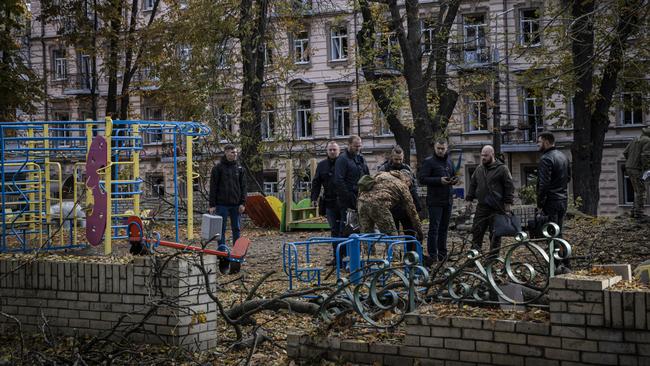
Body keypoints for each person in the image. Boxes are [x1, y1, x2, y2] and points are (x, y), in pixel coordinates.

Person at [465, 145, 515, 256]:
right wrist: (469, 199)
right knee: (477, 231)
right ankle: (474, 255)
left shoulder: (502, 169)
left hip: (497, 206)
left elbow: (509, 187)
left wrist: (508, 203)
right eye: (482, 155)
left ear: (492, 154)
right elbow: (473, 185)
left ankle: (493, 257)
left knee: (495, 233)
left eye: (486, 155)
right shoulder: (479, 169)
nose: (483, 157)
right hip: (482, 206)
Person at [418, 138, 458, 262]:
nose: (440, 151)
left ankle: (442, 254)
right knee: (434, 228)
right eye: (438, 148)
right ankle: (433, 255)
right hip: (434, 200)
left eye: (442, 149)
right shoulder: (429, 162)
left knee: (444, 228)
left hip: (447, 199)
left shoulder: (450, 162)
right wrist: (439, 180)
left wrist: (454, 180)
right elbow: (422, 179)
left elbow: (452, 175)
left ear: (447, 149)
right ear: (435, 148)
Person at [357, 170, 424, 242]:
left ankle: (367, 253)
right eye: (410, 183)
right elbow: (412, 212)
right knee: (392, 237)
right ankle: (394, 253)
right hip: (378, 205)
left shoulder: (382, 174)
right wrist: (419, 232)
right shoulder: (402, 185)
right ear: (407, 179)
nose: (409, 186)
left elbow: (365, 183)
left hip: (361, 202)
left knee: (366, 236)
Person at [377, 145, 422, 238]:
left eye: (400, 159)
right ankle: (393, 252)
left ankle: (410, 252)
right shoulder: (384, 169)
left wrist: (417, 205)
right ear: (391, 157)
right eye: (396, 159)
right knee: (391, 236)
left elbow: (413, 188)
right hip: (390, 208)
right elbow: (378, 189)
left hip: (405, 207)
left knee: (410, 234)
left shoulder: (407, 168)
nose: (398, 161)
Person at [209, 144, 246, 248]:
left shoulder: (240, 169)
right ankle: (221, 251)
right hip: (221, 204)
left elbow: (243, 187)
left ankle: (237, 250)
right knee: (221, 229)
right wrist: (212, 205)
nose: (235, 154)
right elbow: (213, 187)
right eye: (232, 152)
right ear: (226, 152)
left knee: (236, 228)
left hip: (236, 204)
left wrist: (243, 203)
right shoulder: (218, 168)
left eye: (236, 152)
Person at [311, 141, 342, 263]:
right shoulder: (322, 165)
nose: (333, 152)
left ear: (339, 151)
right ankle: (336, 257)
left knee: (345, 229)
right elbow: (316, 183)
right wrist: (313, 198)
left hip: (344, 202)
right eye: (330, 150)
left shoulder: (343, 163)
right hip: (330, 202)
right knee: (334, 230)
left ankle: (346, 256)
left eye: (335, 149)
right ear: (327, 151)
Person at [536, 132, 570, 235]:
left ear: (546, 142)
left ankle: (555, 251)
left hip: (551, 202)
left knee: (551, 233)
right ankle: (560, 251)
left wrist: (540, 204)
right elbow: (568, 178)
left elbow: (543, 184)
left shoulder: (545, 159)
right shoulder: (563, 156)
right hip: (563, 199)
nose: (537, 144)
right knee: (559, 231)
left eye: (539, 142)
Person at [335, 135, 369, 232]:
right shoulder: (342, 159)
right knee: (347, 227)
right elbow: (339, 180)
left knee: (357, 227)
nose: (358, 148)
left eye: (359, 146)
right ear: (349, 145)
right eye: (356, 146)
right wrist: (348, 196)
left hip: (360, 197)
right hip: (347, 200)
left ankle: (356, 247)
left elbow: (366, 175)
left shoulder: (360, 158)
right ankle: (343, 247)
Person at [623, 127, 650, 220]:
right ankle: (638, 213)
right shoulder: (647, 141)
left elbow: (625, 152)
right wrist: (646, 168)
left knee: (637, 190)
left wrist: (630, 162)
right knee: (641, 191)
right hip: (637, 169)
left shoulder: (635, 139)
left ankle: (634, 212)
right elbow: (645, 156)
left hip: (629, 168)